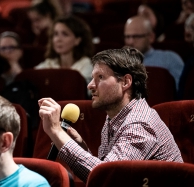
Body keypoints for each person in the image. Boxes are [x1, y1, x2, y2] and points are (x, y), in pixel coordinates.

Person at [38, 47, 183, 184]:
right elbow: (104, 172)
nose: (90, 85)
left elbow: (107, 179)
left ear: (126, 82)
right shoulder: (115, 116)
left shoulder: (139, 124)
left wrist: (56, 131)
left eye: (100, 77)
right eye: (92, 77)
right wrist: (79, 147)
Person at [124, 16, 184, 91]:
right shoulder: (118, 62)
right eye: (127, 37)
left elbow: (180, 91)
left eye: (136, 36)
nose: (130, 42)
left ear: (151, 37)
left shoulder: (169, 58)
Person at [35, 15, 94, 85]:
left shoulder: (86, 65)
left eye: (65, 34)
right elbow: (28, 79)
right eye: (55, 34)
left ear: (77, 40)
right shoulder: (49, 64)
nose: (58, 39)